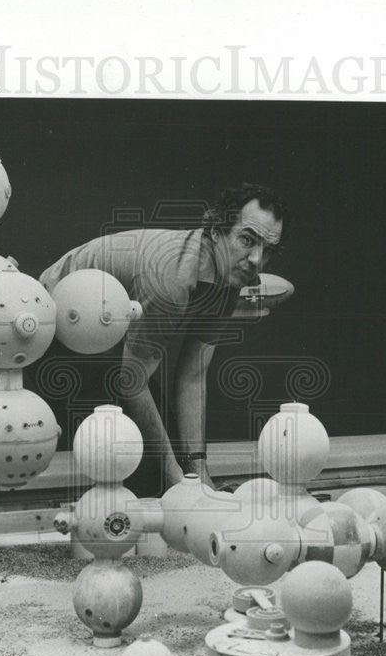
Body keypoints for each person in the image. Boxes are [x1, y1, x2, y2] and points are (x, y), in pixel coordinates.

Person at [38, 183, 288, 497]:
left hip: (106, 335)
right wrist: (176, 478)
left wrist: (199, 474)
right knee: (149, 470)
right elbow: (132, 380)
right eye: (247, 240)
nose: (255, 259)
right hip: (52, 327)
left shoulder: (230, 277)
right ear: (215, 231)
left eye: (268, 249)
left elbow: (193, 375)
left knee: (174, 469)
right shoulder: (170, 276)